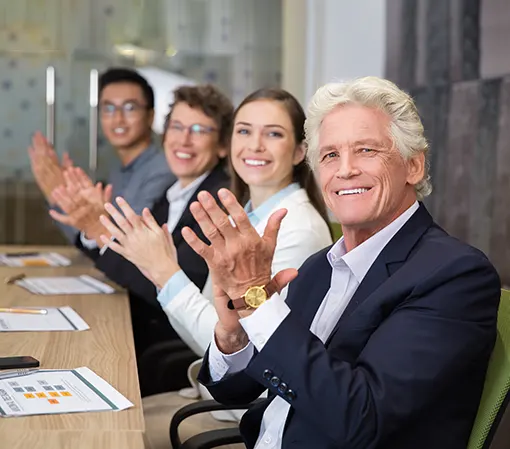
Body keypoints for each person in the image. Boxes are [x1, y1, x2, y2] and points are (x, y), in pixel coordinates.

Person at [179, 77, 501, 449]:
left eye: (366, 150)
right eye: (330, 155)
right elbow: (236, 389)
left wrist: (259, 303)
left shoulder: (454, 275)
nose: (345, 170)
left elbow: (360, 419)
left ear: (413, 165)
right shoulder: (320, 267)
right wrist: (235, 333)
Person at [95, 88, 333, 447]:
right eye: (244, 130)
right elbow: (220, 338)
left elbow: (236, 348)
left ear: (300, 151)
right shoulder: (245, 215)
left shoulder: (296, 228)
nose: (254, 145)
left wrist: (165, 273)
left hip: (250, 411)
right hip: (218, 393)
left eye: (273, 133)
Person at [50, 85, 234, 369]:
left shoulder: (215, 202)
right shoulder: (174, 191)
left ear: (222, 146)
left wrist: (103, 232)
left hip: (168, 352)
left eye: (199, 130)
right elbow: (137, 261)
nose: (183, 140)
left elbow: (169, 287)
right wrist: (94, 226)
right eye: (176, 127)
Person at [29, 67, 175, 242]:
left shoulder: (162, 170)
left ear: (150, 116)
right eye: (108, 108)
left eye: (129, 108)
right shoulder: (118, 170)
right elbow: (95, 244)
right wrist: (70, 202)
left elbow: (122, 245)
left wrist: (57, 197)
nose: (118, 118)